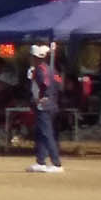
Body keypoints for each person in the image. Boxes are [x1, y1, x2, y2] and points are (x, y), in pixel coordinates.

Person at [25, 45, 65, 173]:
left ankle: (56, 163)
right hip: (51, 104)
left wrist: (43, 98)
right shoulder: (52, 70)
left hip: (44, 106)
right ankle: (40, 161)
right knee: (41, 133)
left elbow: (45, 85)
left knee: (47, 134)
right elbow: (59, 85)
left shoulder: (40, 71)